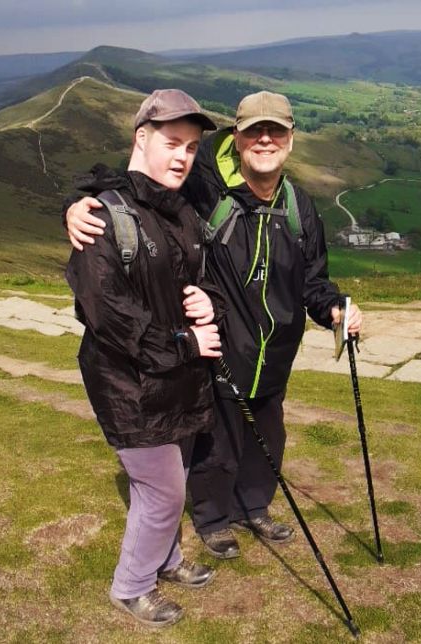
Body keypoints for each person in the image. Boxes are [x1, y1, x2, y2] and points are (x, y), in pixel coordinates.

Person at [65, 90, 363, 562]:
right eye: (254, 131)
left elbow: (313, 279)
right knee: (217, 446)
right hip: (221, 351)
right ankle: (212, 519)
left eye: (276, 131)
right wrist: (81, 202)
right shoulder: (206, 189)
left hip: (275, 355)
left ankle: (254, 507)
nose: (265, 140)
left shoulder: (299, 208)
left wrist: (334, 309)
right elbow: (141, 182)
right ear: (237, 137)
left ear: (290, 138)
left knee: (268, 439)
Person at [66, 89, 224, 628]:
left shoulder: (179, 208)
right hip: (127, 382)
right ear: (141, 139)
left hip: (172, 378)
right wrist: (184, 345)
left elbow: (188, 282)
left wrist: (208, 301)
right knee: (162, 486)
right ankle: (132, 585)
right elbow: (106, 313)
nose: (183, 156)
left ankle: (168, 558)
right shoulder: (103, 219)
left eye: (192, 146)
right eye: (172, 142)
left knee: (169, 475)